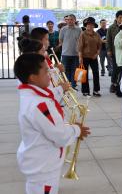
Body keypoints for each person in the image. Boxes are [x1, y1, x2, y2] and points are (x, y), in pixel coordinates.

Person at [15, 53, 90, 194]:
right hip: (43, 169)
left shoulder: (35, 97)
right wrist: (76, 130)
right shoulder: (39, 104)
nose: (50, 74)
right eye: (45, 71)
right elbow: (60, 135)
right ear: (33, 77)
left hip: (41, 165)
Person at [78, 17, 102, 97]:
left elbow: (99, 46)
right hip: (84, 56)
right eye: (88, 25)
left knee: (96, 73)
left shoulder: (96, 34)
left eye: (91, 25)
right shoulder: (83, 34)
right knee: (84, 74)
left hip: (94, 57)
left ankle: (96, 90)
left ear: (93, 26)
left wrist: (97, 54)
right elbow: (80, 47)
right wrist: (80, 57)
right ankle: (85, 91)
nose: (90, 26)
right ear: (86, 25)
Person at [59, 14, 82, 90]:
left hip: (75, 53)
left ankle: (73, 85)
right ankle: (67, 86)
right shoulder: (63, 29)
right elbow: (61, 40)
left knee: (74, 70)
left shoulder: (79, 29)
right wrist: (66, 46)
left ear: (74, 20)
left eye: (71, 19)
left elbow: (80, 41)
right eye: (68, 19)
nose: (69, 21)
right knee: (65, 70)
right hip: (65, 53)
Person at [107, 10, 122, 93]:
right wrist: (109, 50)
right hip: (115, 52)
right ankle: (113, 84)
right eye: (120, 18)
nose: (121, 19)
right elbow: (108, 40)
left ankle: (120, 84)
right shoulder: (111, 27)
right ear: (116, 18)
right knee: (115, 69)